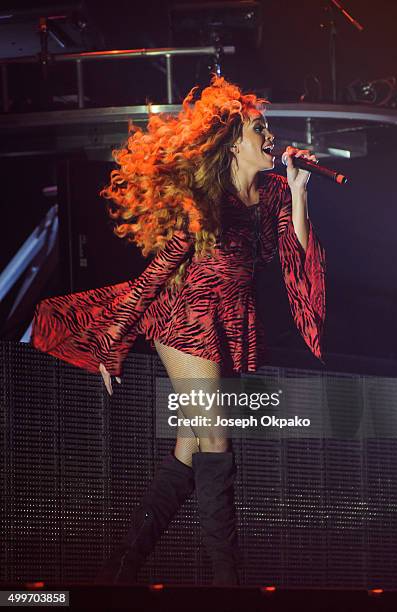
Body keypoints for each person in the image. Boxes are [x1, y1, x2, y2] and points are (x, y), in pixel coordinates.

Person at [31, 75, 326, 586]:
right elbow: (159, 270)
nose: (270, 135)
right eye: (260, 127)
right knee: (216, 437)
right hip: (186, 317)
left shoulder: (276, 190)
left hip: (232, 320)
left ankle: (120, 569)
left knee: (190, 448)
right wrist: (113, 336)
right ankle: (228, 582)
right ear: (234, 140)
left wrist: (300, 194)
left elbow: (296, 258)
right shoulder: (206, 196)